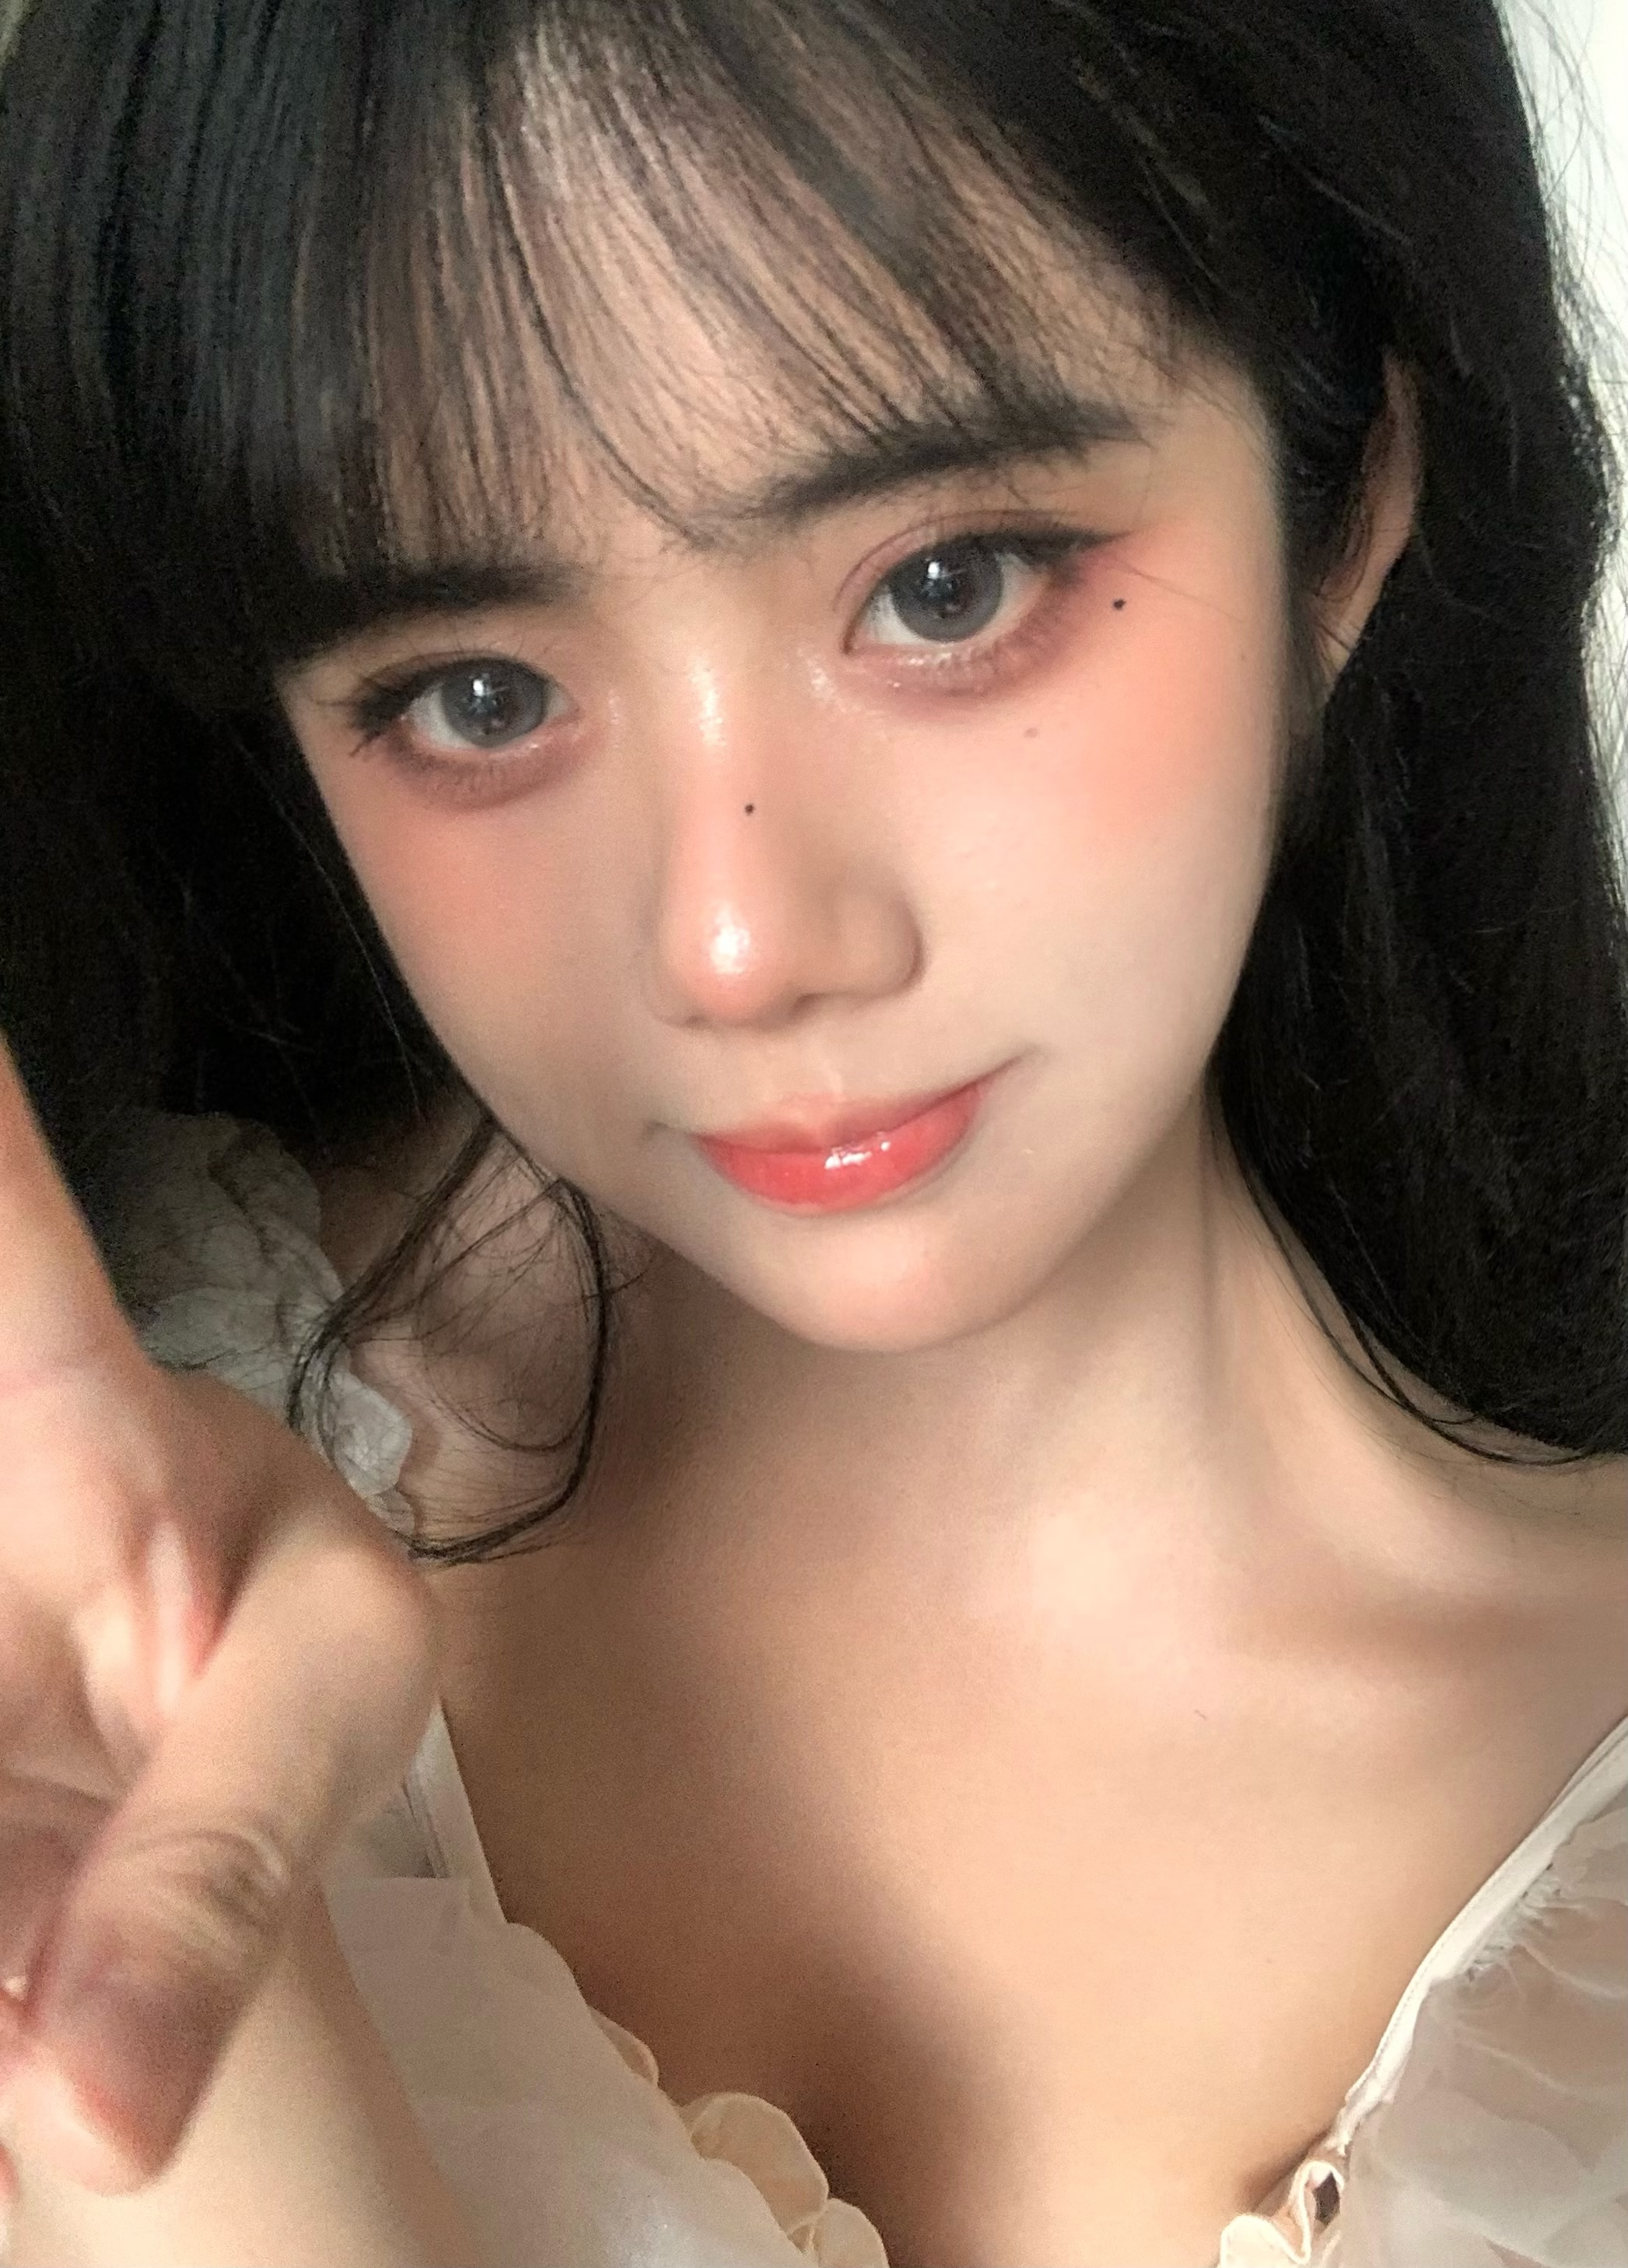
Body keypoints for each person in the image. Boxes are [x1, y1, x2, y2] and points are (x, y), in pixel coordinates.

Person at [0, 0, 1624, 2260]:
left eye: (947, 587)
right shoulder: (76, 1551)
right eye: (478, 694)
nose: (740, 939)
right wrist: (153, 2054)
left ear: (1342, 506)